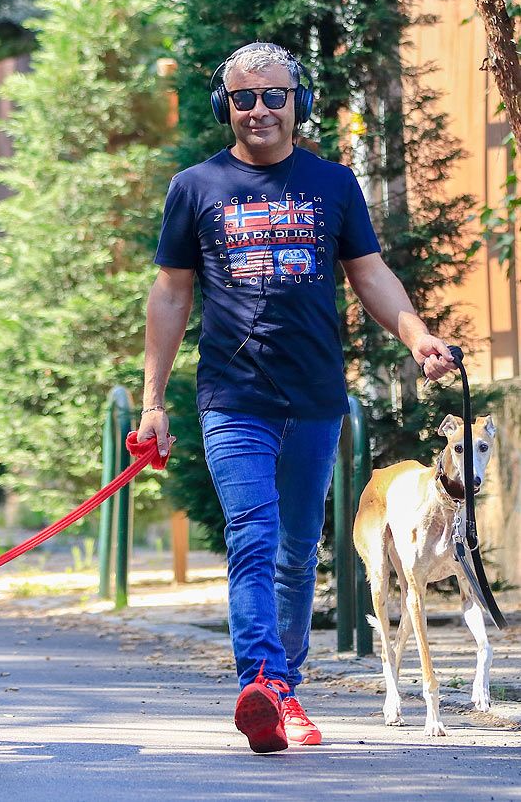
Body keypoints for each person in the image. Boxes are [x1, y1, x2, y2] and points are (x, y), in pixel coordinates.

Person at [136, 42, 456, 754]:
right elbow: (171, 294)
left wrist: (417, 337)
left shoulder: (332, 183)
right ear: (225, 105)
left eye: (273, 96)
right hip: (232, 398)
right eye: (244, 97)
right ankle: (263, 683)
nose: (259, 110)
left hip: (315, 398)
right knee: (252, 535)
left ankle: (284, 687)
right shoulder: (195, 187)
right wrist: (153, 401)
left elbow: (369, 274)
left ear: (297, 103)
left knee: (296, 550)